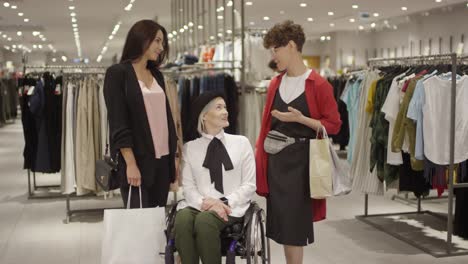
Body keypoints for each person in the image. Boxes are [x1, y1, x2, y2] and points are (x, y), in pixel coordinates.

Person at [255, 21, 342, 264]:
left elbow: (333, 125)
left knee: (294, 229)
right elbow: (265, 129)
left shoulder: (318, 84)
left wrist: (302, 119)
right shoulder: (275, 83)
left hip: (302, 165)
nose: (273, 57)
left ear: (291, 46)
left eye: (275, 50)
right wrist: (260, 161)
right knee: (283, 229)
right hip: (277, 163)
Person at [174, 91, 256, 264]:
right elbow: (188, 188)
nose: (225, 111)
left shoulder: (241, 143)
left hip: (232, 207)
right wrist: (205, 203)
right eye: (219, 107)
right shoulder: (190, 148)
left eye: (225, 107)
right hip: (198, 204)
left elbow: (249, 184)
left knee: (204, 221)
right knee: (182, 220)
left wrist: (224, 202)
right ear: (204, 116)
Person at [103, 20, 178, 208]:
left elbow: (165, 118)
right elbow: (118, 122)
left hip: (162, 161)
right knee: (138, 224)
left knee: (158, 222)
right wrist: (130, 163)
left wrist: (174, 159)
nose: (161, 47)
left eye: (163, 43)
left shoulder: (157, 75)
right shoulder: (118, 74)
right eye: (157, 41)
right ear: (142, 39)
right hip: (137, 161)